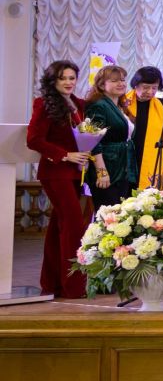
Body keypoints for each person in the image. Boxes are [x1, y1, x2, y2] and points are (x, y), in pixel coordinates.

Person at [26, 60, 89, 298]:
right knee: (74, 225)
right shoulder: (43, 103)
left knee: (58, 227)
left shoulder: (79, 104)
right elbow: (34, 140)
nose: (68, 82)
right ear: (52, 81)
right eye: (63, 78)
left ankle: (52, 283)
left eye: (72, 78)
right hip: (55, 172)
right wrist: (65, 155)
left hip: (76, 173)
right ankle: (74, 287)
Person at [83, 65, 134, 207]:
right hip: (107, 166)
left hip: (121, 167)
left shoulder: (118, 105)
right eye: (114, 81)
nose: (121, 84)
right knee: (107, 213)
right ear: (101, 85)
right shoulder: (98, 105)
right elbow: (92, 140)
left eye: (122, 80)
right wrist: (101, 172)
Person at [126, 66, 163, 191]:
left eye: (154, 88)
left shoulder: (161, 106)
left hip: (152, 162)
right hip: (127, 161)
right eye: (146, 87)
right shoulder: (123, 103)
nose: (150, 91)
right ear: (135, 84)